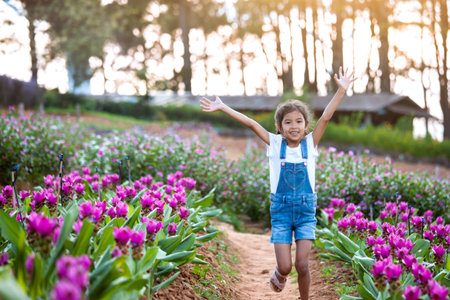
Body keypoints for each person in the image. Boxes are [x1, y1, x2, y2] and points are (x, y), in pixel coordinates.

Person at [200, 67, 355, 299]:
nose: (294, 126)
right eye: (288, 122)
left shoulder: (310, 144)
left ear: (305, 126)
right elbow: (252, 123)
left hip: (305, 212)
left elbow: (326, 117)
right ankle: (279, 274)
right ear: (280, 128)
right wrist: (223, 107)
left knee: (302, 264)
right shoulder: (274, 144)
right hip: (281, 212)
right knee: (286, 267)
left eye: (299, 121)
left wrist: (341, 91)